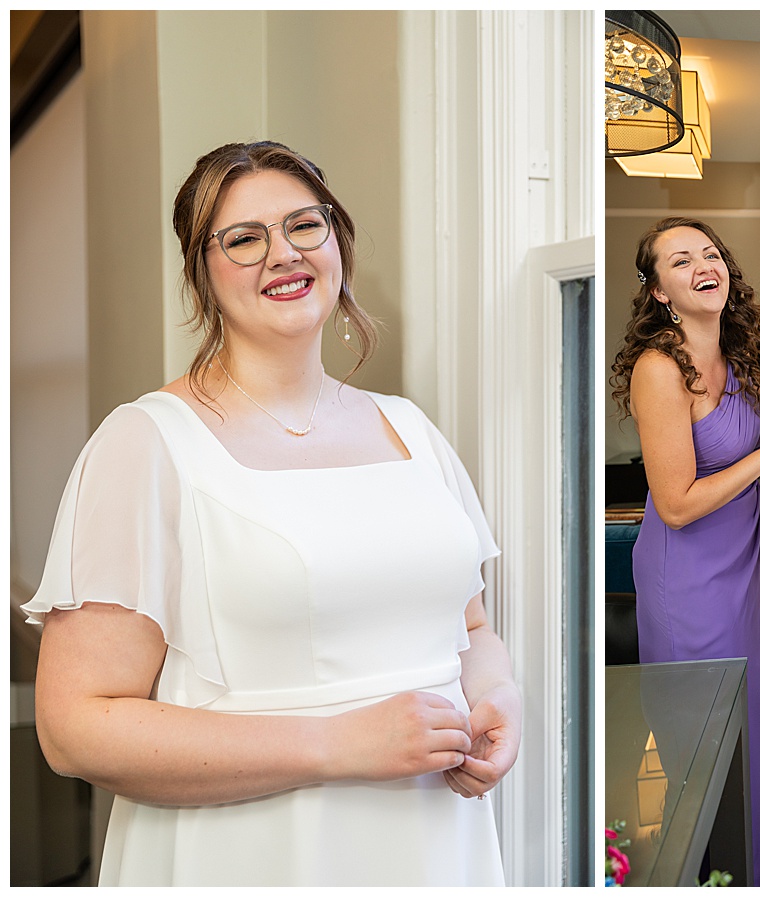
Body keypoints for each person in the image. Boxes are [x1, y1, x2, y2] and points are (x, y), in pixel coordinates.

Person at [21, 141, 520, 886]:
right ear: (204, 272)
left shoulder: (411, 429)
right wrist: (334, 744)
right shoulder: (148, 443)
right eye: (244, 239)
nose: (281, 254)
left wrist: (499, 700)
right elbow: (75, 727)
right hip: (257, 856)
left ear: (337, 241)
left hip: (435, 846)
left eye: (303, 226)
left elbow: (471, 628)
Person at [610, 217, 760, 885]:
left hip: (747, 564)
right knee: (705, 738)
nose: (703, 263)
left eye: (711, 252)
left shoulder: (742, 356)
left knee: (758, 723)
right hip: (688, 576)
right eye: (681, 258)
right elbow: (676, 502)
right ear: (660, 291)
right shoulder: (659, 368)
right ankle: (714, 873)